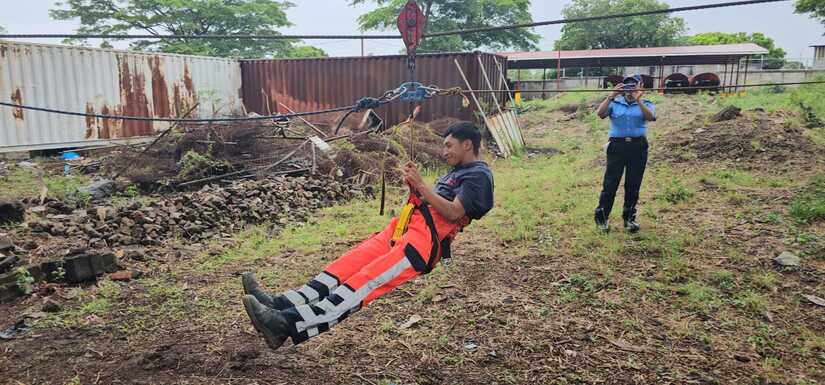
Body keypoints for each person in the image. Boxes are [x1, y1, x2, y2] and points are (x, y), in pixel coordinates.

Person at [241, 121, 494, 350]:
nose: (444, 151)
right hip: (402, 229)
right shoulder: (456, 172)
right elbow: (435, 201)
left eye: (449, 146)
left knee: (363, 283)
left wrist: (422, 186)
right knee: (346, 265)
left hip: (421, 244)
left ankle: (284, 324)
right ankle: (280, 303)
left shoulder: (478, 176)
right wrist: (416, 189)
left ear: (467, 144)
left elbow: (452, 212)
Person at [593, 74, 656, 233]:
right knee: (610, 183)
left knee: (633, 184)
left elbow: (650, 117)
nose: (630, 89)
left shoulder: (646, 103)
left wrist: (638, 100)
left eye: (633, 85)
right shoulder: (615, 103)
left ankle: (629, 218)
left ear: (639, 86)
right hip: (617, 146)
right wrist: (611, 95)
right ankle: (602, 218)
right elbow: (600, 114)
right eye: (627, 85)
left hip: (638, 147)